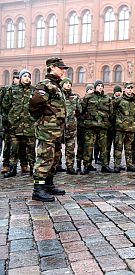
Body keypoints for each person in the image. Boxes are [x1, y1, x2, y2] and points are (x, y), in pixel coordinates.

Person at [28, 57, 68, 202]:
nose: (63, 70)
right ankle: (38, 189)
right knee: (45, 158)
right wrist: (42, 119)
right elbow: (33, 104)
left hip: (57, 130)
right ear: (52, 67)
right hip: (47, 130)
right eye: (60, 67)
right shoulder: (45, 85)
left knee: (54, 158)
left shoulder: (56, 85)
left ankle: (48, 184)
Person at [3, 69, 36, 178]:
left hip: (29, 126)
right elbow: (5, 106)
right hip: (15, 126)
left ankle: (33, 169)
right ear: (20, 77)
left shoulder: (33, 91)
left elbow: (38, 108)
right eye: (25, 76)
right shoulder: (12, 90)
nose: (27, 78)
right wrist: (10, 119)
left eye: (29, 76)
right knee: (14, 149)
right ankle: (12, 169)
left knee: (31, 149)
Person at [81, 80, 113, 174]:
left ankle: (105, 166)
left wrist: (107, 123)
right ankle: (87, 166)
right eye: (98, 85)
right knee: (88, 147)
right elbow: (81, 110)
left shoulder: (107, 98)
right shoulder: (88, 97)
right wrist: (85, 121)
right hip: (91, 126)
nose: (100, 87)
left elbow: (111, 112)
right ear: (95, 87)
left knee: (103, 147)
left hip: (103, 127)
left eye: (101, 86)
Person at [112, 82, 135, 172]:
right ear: (125, 89)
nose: (130, 90)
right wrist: (117, 122)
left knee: (129, 148)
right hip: (121, 128)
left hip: (131, 129)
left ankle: (130, 165)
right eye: (128, 88)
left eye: (131, 88)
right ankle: (117, 165)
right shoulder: (119, 100)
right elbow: (112, 112)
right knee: (118, 148)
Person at [61, 77, 81, 175]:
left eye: (70, 83)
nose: (68, 84)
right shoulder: (59, 96)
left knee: (70, 148)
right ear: (62, 84)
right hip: (59, 127)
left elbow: (79, 111)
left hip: (71, 127)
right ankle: (57, 166)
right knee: (56, 148)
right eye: (66, 83)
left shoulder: (75, 97)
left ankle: (70, 166)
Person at [76, 83, 95, 173]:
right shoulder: (82, 101)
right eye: (90, 90)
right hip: (82, 127)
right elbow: (79, 113)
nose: (91, 92)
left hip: (90, 128)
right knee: (81, 147)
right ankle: (79, 165)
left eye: (92, 90)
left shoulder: (94, 102)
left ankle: (88, 164)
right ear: (86, 92)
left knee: (89, 147)